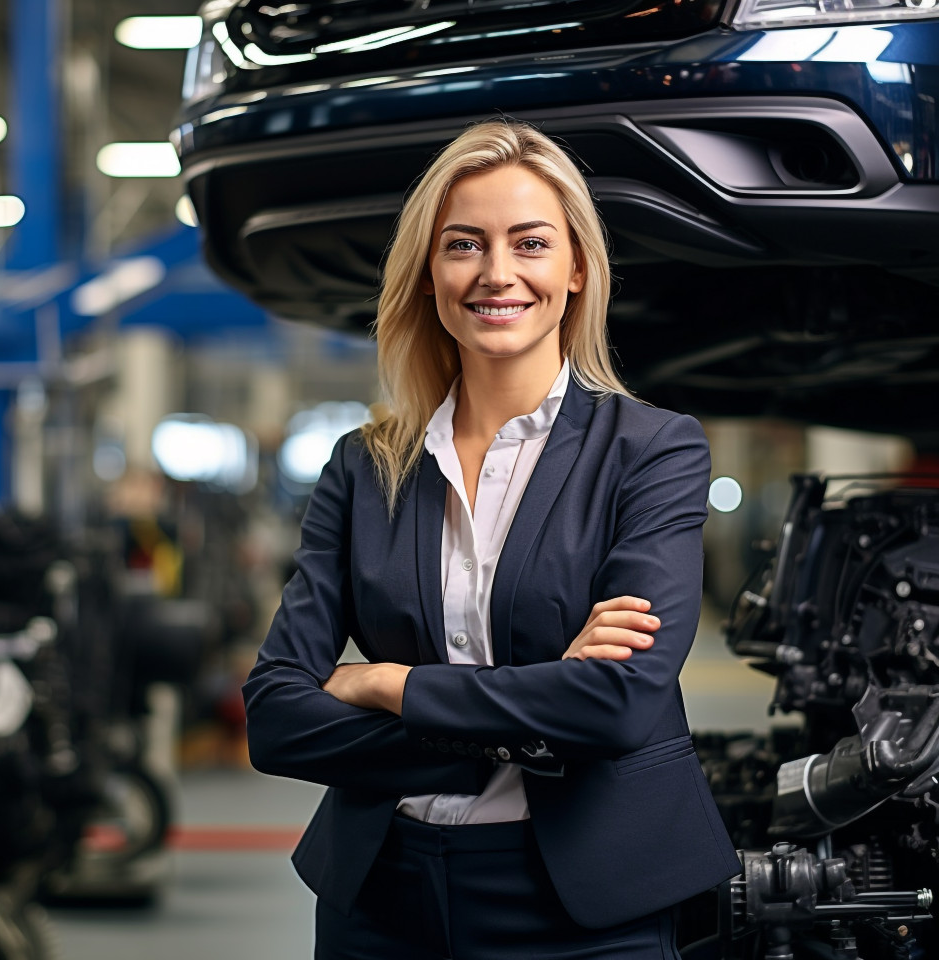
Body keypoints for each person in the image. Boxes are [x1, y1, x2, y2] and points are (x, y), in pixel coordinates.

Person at [243, 120, 740, 959]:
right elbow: (277, 717)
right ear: (429, 273)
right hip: (381, 899)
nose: (496, 273)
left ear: (577, 268)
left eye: (531, 243)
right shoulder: (366, 468)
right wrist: (525, 724)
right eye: (464, 244)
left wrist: (388, 683)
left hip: (585, 909)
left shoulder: (650, 451)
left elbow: (617, 703)